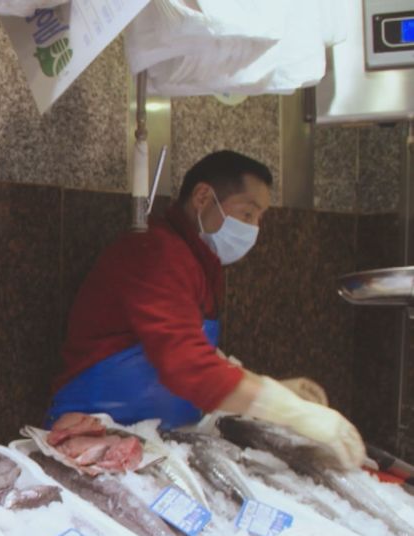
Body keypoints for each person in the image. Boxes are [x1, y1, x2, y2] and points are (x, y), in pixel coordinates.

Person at [49, 150, 364, 468]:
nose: (254, 229)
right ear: (203, 197)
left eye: (259, 219)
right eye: (247, 213)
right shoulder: (154, 252)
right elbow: (187, 364)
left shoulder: (195, 260)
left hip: (156, 440)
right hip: (95, 437)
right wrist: (288, 409)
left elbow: (196, 349)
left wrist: (266, 387)